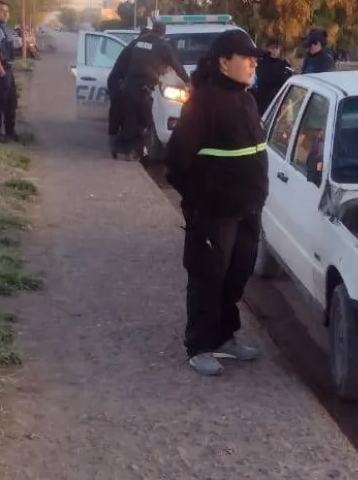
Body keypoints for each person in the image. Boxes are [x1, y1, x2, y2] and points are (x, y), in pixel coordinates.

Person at [164, 30, 269, 377]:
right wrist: (198, 201)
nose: (254, 62)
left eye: (254, 56)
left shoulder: (248, 99)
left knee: (237, 274)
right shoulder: (203, 103)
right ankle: (199, 345)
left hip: (247, 211)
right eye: (246, 56)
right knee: (208, 277)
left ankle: (225, 337)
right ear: (224, 62)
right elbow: (176, 162)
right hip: (212, 214)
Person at [117, 21, 190, 161]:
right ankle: (138, 153)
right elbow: (176, 65)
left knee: (130, 119)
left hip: (129, 85)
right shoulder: (162, 45)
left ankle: (126, 151)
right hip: (143, 89)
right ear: (163, 32)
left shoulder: (140, 41)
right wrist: (187, 81)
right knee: (145, 122)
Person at [106, 26, 150, 158]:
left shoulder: (132, 46)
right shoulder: (137, 50)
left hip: (117, 85)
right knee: (130, 120)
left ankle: (116, 148)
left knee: (119, 118)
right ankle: (125, 150)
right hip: (122, 86)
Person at [0, 0, 19, 142]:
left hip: (7, 70)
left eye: (7, 11)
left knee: (11, 102)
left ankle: (10, 132)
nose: (6, 14)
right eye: (2, 11)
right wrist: (2, 73)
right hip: (0, 71)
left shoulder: (2, 28)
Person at [252, 36, 293, 115]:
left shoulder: (284, 65)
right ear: (269, 48)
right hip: (261, 97)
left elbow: (285, 83)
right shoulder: (262, 61)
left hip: (274, 99)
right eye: (272, 48)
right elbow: (261, 77)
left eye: (276, 48)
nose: (275, 51)